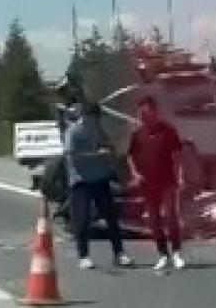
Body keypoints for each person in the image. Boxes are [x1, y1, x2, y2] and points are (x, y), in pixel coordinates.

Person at [64, 102, 130, 269]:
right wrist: (97, 155)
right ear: (86, 117)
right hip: (81, 181)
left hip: (100, 178)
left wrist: (111, 151)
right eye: (94, 118)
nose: (96, 122)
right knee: (83, 218)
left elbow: (107, 145)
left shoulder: (97, 130)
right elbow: (73, 157)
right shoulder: (73, 132)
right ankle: (83, 256)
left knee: (111, 217)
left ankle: (119, 253)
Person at [128, 96, 185, 271]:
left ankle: (176, 253)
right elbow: (130, 156)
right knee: (153, 220)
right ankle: (162, 254)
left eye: (146, 112)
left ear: (154, 111)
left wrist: (180, 175)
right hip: (148, 184)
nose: (143, 116)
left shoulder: (168, 131)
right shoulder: (137, 135)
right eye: (140, 113)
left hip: (167, 181)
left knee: (170, 215)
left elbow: (177, 155)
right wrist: (135, 174)